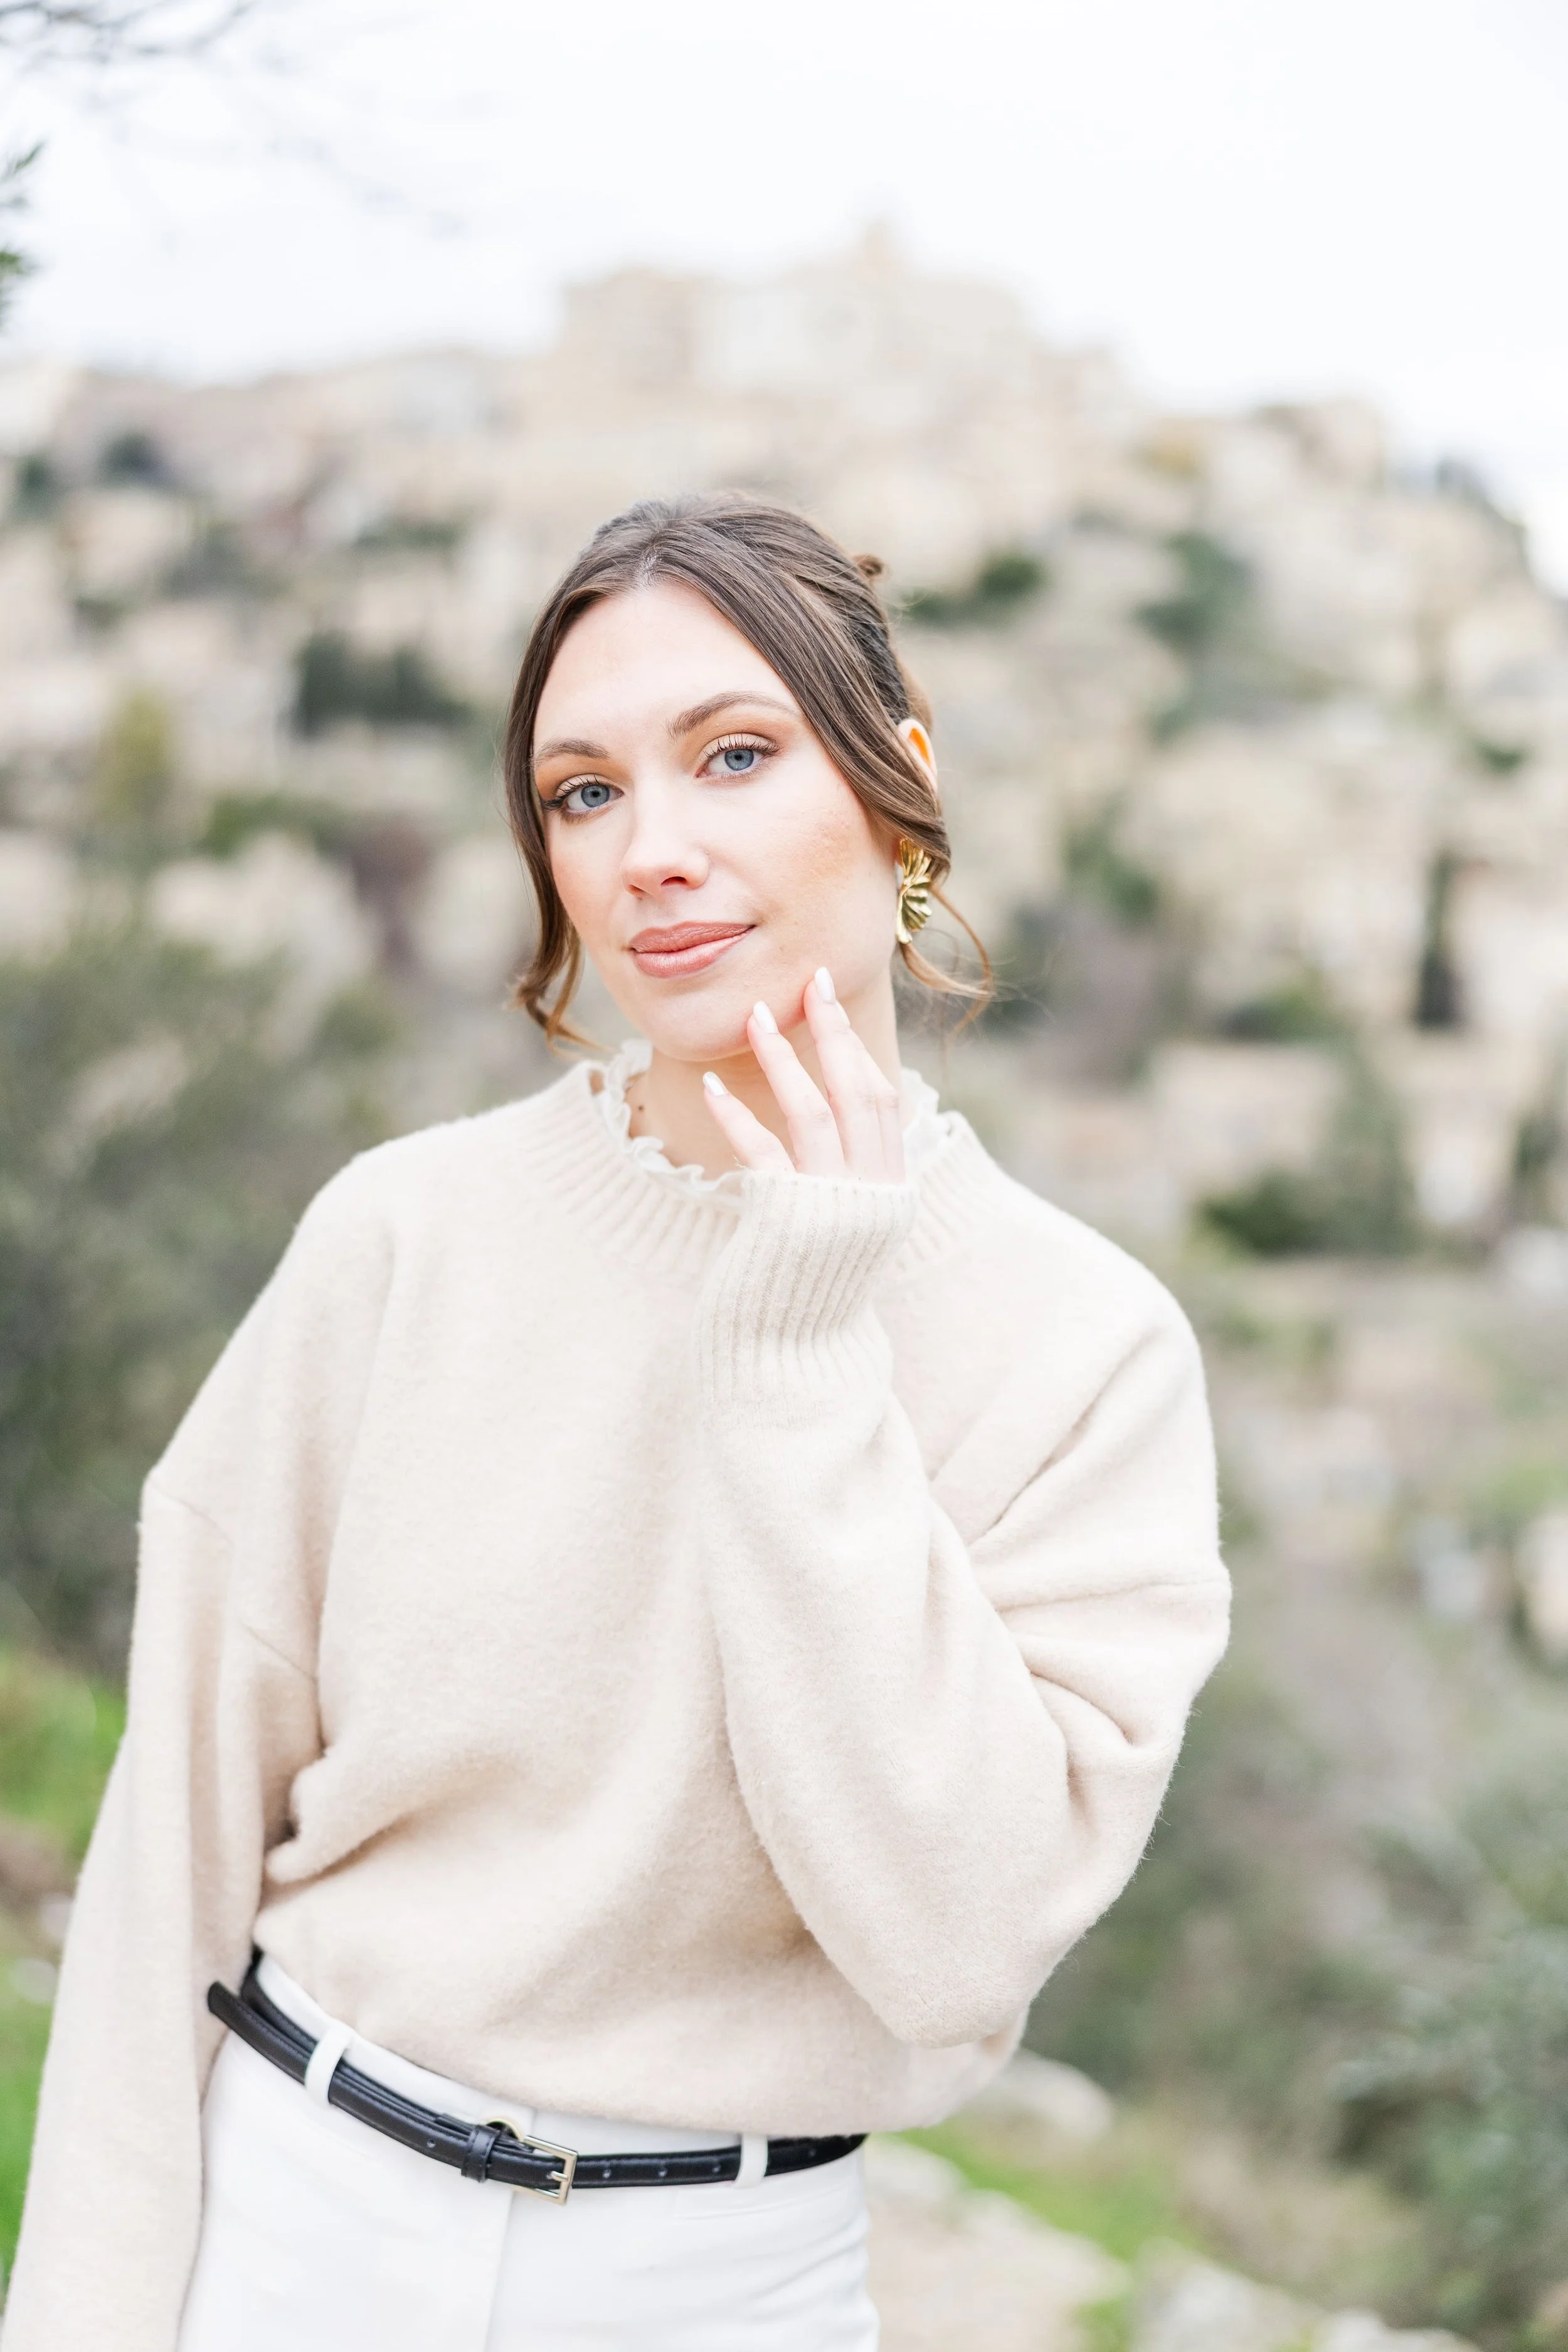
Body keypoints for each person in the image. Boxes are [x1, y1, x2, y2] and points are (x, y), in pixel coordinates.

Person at [3, 494, 1229, 2352]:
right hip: (291, 2227)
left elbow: (956, 1939)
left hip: (719, 2284)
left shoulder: (1086, 1348)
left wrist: (800, 1347)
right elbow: (170, 1841)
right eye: (581, 793)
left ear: (901, 790)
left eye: (733, 756)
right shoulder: (403, 1236)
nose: (650, 849)